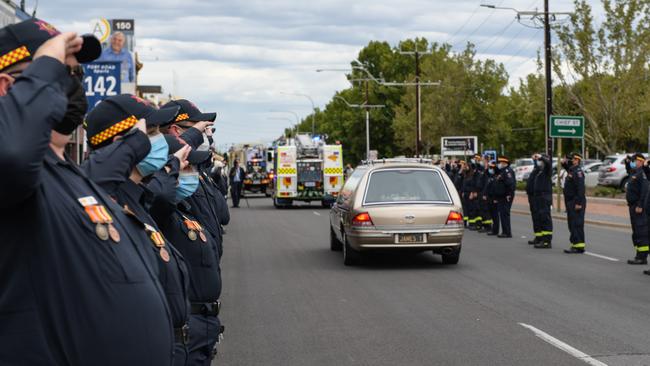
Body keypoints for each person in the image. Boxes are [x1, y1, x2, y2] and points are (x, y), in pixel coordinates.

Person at [0, 19, 173, 365]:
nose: (73, 85)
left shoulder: (66, 174)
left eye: (75, 75)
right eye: (60, 73)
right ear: (8, 86)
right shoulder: (16, 171)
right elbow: (14, 155)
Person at [82, 94, 193, 366]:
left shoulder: (138, 199)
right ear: (122, 145)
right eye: (151, 133)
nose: (159, 141)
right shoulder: (106, 203)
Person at [150, 135, 224, 366]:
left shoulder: (185, 210)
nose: (192, 172)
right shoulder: (161, 213)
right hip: (187, 324)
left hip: (204, 323)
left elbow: (221, 217)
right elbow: (159, 197)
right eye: (187, 166)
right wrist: (172, 166)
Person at [624, 153, 649, 264]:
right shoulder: (635, 172)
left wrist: (640, 205)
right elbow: (629, 170)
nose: (633, 162)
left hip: (638, 207)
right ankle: (638, 254)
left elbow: (644, 191)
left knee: (641, 231)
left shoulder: (642, 174)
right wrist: (627, 163)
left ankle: (642, 257)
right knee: (636, 232)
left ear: (640, 161)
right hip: (632, 206)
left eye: (635, 161)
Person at [562, 152, 587, 254]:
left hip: (576, 201)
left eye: (573, 159)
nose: (571, 160)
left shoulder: (578, 172)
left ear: (577, 160)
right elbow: (567, 167)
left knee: (577, 224)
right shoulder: (572, 170)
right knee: (572, 224)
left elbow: (580, 189)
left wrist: (578, 203)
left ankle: (579, 246)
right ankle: (575, 244)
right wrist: (564, 163)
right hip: (570, 201)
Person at [532, 154, 554, 249]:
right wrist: (535, 160)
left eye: (541, 161)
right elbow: (537, 167)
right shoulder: (541, 170)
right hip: (539, 197)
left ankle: (547, 241)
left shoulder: (547, 170)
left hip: (545, 197)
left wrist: (541, 157)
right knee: (540, 218)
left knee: (545, 219)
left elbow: (548, 163)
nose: (539, 162)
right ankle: (542, 239)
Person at [491, 156, 515, 238]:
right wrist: (493, 167)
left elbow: (510, 184)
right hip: (501, 196)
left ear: (504, 163)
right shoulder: (503, 171)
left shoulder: (508, 171)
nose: (499, 164)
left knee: (505, 214)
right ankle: (505, 231)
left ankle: (507, 232)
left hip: (506, 196)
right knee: (502, 214)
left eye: (500, 163)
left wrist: (508, 194)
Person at [525, 154, 541, 244]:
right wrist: (534, 160)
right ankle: (537, 236)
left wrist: (539, 159)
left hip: (536, 197)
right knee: (535, 218)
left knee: (537, 218)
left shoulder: (541, 170)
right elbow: (536, 166)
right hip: (531, 196)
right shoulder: (536, 169)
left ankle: (540, 237)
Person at [485, 161, 499, 235]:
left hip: (494, 198)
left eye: (491, 168)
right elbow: (486, 173)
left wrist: (496, 199)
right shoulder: (491, 176)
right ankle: (494, 230)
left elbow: (497, 189)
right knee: (492, 215)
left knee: (495, 215)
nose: (490, 169)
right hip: (490, 197)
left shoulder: (496, 177)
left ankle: (495, 230)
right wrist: (488, 167)